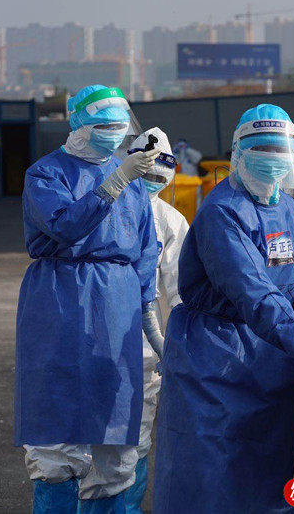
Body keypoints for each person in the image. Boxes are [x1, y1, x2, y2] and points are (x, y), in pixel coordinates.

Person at [153, 104, 294, 514]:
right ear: (238, 154)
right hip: (215, 359)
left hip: (272, 359)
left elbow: (284, 283)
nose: (272, 164)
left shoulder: (290, 212)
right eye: (261, 153)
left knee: (270, 473)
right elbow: (252, 291)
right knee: (212, 474)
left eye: (280, 155)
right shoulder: (223, 213)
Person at [15, 84, 162, 514]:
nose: (113, 134)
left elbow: (145, 249)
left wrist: (150, 319)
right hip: (59, 301)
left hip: (117, 306)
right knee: (55, 427)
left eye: (118, 127)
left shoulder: (131, 181)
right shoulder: (46, 174)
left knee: (114, 425)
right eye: (103, 126)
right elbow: (64, 226)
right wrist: (114, 182)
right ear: (77, 124)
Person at [122, 128, 188, 514]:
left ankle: (126, 508)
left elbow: (182, 289)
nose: (152, 184)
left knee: (138, 437)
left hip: (147, 348)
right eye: (145, 175)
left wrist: (176, 343)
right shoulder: (106, 205)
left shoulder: (170, 221)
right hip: (96, 335)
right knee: (88, 439)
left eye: (160, 179)